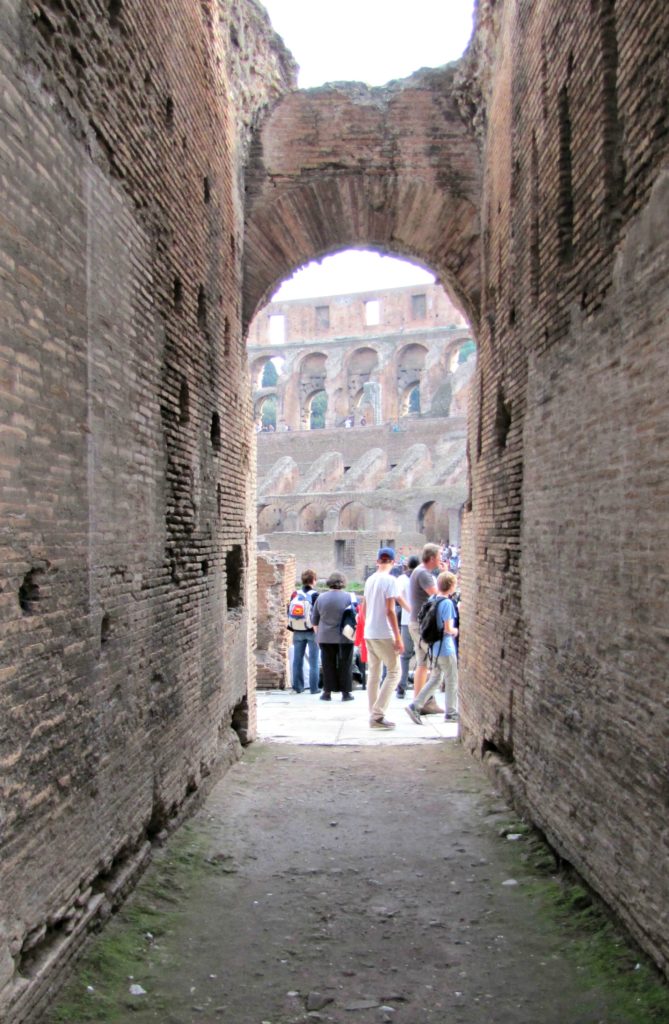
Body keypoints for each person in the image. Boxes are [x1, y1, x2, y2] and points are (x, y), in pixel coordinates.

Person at [405, 572, 459, 725]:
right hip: (446, 648)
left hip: (433, 647)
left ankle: (415, 705)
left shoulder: (432, 599)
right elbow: (448, 628)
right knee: (452, 679)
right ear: (451, 586)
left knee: (435, 679)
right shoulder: (447, 603)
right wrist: (455, 631)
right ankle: (451, 712)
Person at [361, 547, 404, 729]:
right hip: (383, 633)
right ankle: (378, 715)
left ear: (378, 561)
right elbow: (390, 610)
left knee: (374, 674)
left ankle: (373, 713)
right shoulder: (390, 580)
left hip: (369, 632)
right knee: (395, 672)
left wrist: (367, 626)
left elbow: (363, 609)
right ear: (393, 562)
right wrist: (398, 637)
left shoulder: (370, 579)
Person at [408, 543, 442, 714]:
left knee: (422, 664)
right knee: (438, 663)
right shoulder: (424, 574)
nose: (441, 559)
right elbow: (439, 596)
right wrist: (445, 575)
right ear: (433, 558)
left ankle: (419, 703)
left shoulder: (419, 571)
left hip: (415, 623)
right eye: (439, 556)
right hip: (422, 626)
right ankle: (423, 702)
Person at [312, 572, 355, 701]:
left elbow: (314, 620)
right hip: (345, 636)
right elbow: (355, 617)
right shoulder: (349, 597)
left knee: (327, 664)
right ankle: (346, 693)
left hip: (325, 636)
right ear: (343, 582)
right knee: (346, 664)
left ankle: (327, 692)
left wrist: (318, 636)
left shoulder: (321, 598)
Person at [290, 569, 320, 695]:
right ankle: (314, 689)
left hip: (297, 630)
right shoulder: (315, 595)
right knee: (314, 661)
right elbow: (318, 613)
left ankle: (298, 687)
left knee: (297, 660)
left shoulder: (295, 594)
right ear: (314, 580)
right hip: (312, 631)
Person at [396, 554, 419, 697]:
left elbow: (397, 596)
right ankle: (420, 687)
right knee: (423, 656)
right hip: (422, 621)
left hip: (406, 621)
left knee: (404, 656)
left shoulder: (402, 580)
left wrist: (408, 608)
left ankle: (402, 686)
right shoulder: (426, 577)